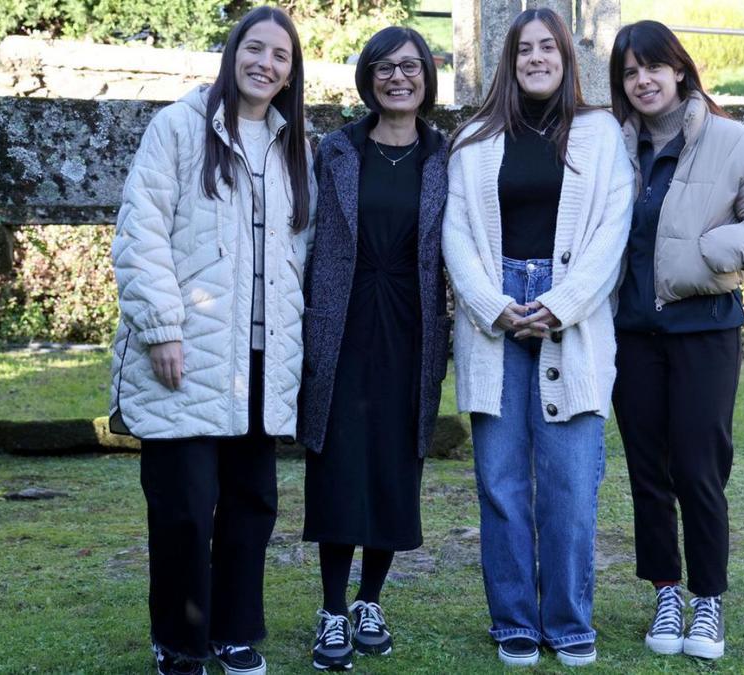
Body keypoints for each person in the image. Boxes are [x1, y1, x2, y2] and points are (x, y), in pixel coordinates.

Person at [108, 6, 315, 675]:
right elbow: (141, 233)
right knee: (185, 508)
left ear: (290, 73)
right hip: (186, 351)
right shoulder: (178, 126)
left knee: (253, 504)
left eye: (280, 56)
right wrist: (160, 327)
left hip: (262, 359)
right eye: (255, 49)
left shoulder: (294, 146)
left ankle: (234, 631)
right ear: (233, 54)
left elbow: (300, 253)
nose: (266, 63)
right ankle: (179, 639)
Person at [442, 7, 635, 668]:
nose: (536, 58)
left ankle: (570, 622)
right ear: (509, 60)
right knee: (500, 482)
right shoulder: (472, 138)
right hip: (492, 318)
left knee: (571, 483)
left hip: (571, 319)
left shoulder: (600, 131)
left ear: (566, 56)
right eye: (524, 49)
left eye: (547, 47)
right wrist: (496, 307)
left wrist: (559, 305)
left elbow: (612, 229)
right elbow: (457, 235)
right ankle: (515, 622)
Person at [607, 20, 744, 661]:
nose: (642, 81)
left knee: (698, 466)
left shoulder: (737, 145)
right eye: (629, 72)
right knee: (646, 470)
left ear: (680, 69)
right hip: (632, 333)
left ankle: (708, 600)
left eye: (652, 67)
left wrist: (713, 251)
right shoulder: (612, 148)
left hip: (704, 330)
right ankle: (666, 590)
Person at [298, 26, 449, 672]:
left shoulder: (447, 155)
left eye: (410, 66)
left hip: (412, 325)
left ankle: (370, 600)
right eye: (384, 67)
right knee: (338, 461)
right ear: (367, 77)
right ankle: (332, 608)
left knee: (393, 462)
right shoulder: (335, 150)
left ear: (426, 77)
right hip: (342, 318)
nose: (397, 78)